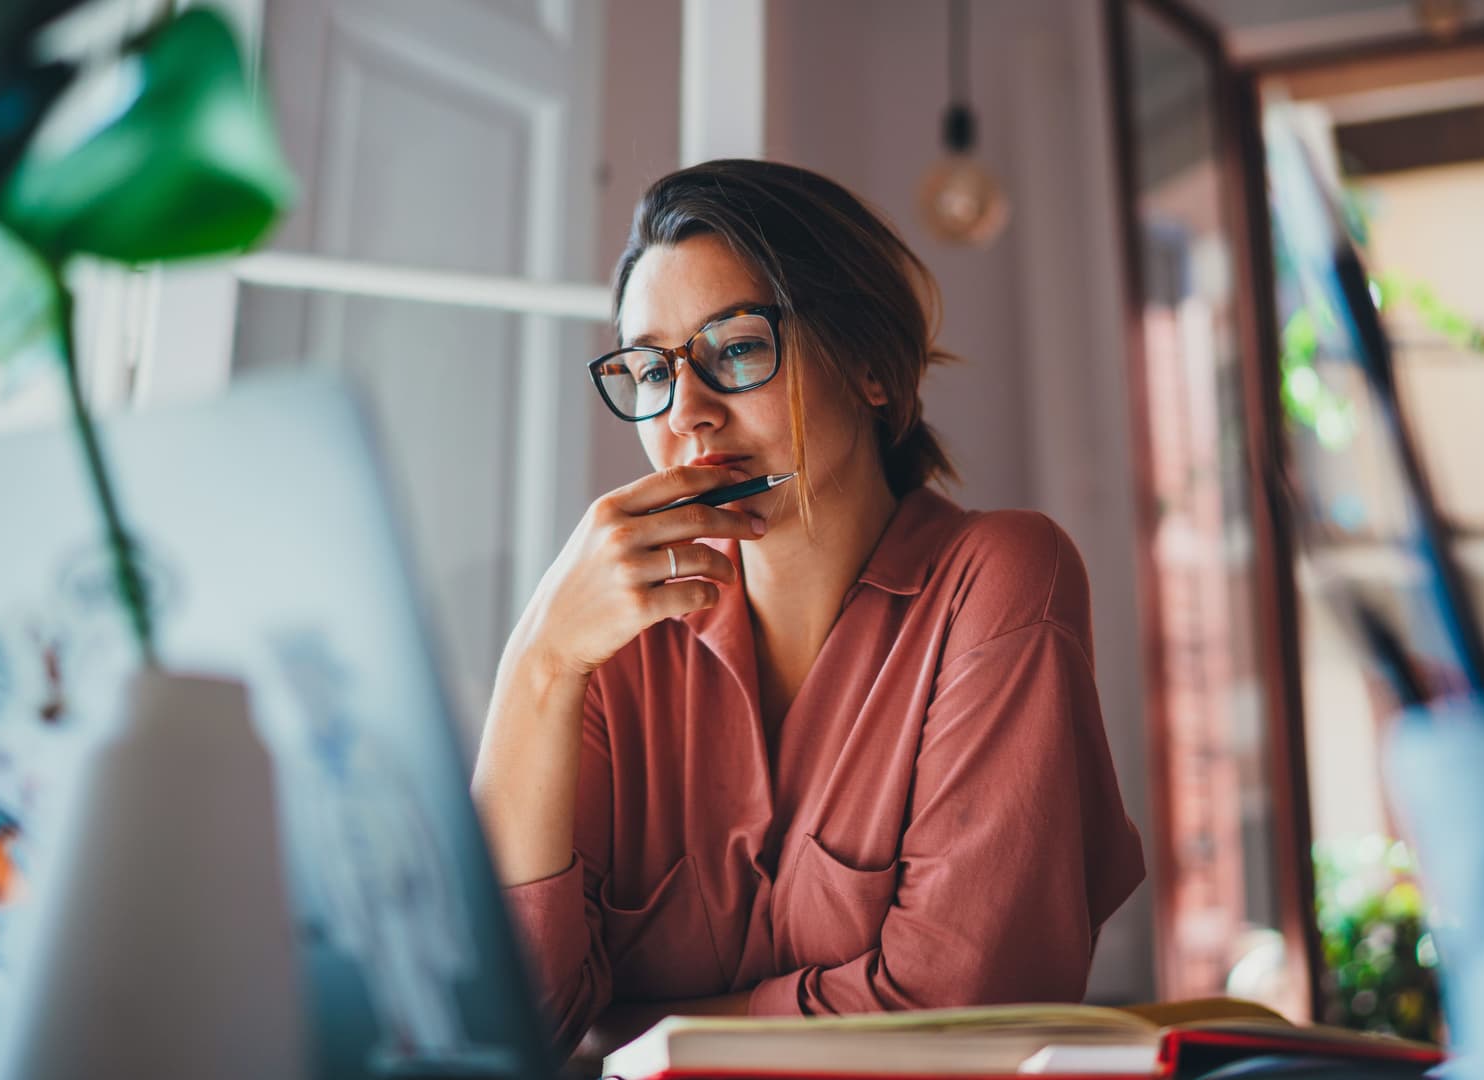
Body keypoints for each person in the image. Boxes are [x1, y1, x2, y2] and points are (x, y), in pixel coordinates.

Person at [471, 159, 1144, 1054]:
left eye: (737, 347)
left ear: (869, 363)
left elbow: (960, 1009)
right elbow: (508, 1026)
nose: (689, 416)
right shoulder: (610, 642)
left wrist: (633, 1032)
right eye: (649, 371)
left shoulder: (1001, 577)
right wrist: (540, 663)